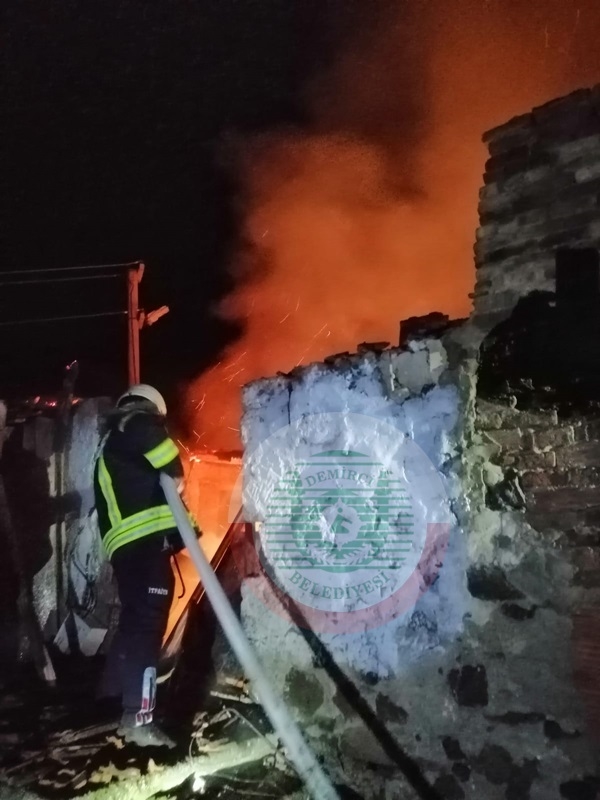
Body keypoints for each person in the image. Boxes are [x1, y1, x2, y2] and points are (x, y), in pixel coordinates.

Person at [94, 384, 195, 747]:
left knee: (134, 623)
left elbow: (152, 496)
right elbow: (167, 465)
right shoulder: (136, 423)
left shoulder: (119, 443)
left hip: (130, 548)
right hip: (143, 547)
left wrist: (186, 535)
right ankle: (139, 718)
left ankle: (111, 699)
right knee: (147, 628)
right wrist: (177, 472)